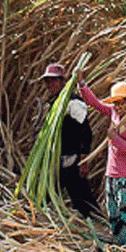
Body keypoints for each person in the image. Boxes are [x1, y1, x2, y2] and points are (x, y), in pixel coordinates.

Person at [78, 75, 126, 252]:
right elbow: (96, 104)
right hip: (112, 175)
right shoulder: (115, 113)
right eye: (115, 102)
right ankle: (120, 248)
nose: (118, 106)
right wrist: (82, 85)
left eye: (122, 101)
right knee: (114, 215)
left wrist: (116, 140)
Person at [39, 63, 101, 219]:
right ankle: (37, 213)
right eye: (48, 81)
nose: (50, 85)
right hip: (58, 158)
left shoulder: (74, 103)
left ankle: (100, 222)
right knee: (55, 191)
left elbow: (85, 132)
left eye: (54, 81)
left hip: (71, 159)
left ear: (63, 81)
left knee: (80, 196)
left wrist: (84, 160)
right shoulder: (55, 103)